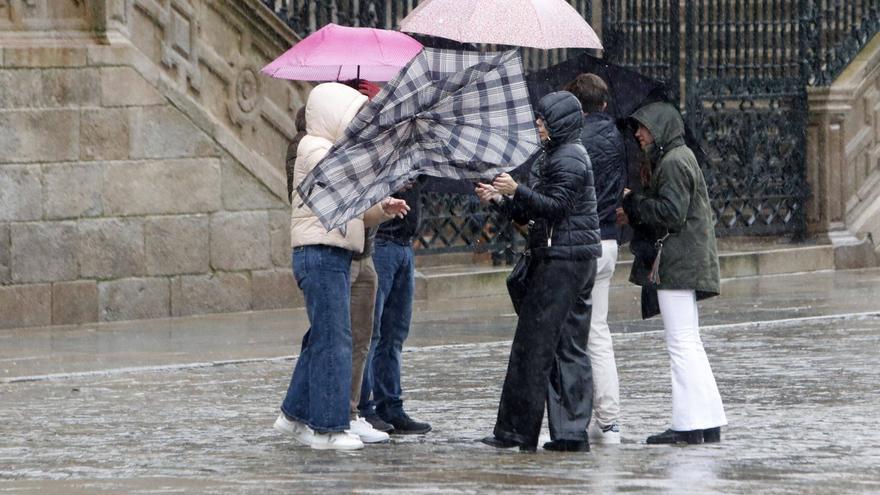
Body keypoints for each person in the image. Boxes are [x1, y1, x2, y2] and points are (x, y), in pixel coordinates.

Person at [273, 82, 409, 451]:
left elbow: (354, 212)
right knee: (334, 341)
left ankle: (293, 415)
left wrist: (382, 209)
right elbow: (340, 183)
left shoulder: (333, 150)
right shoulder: (314, 148)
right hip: (320, 253)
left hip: (334, 252)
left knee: (324, 337)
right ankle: (328, 427)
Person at [476, 91, 602, 452]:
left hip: (562, 261)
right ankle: (569, 433)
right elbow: (533, 215)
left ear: (559, 123)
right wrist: (502, 200)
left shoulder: (570, 157)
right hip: (565, 256)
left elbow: (556, 208)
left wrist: (518, 189)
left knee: (535, 347)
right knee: (565, 346)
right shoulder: (557, 156)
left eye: (543, 121)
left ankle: (519, 431)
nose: (538, 126)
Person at [620, 101, 727, 444]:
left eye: (643, 127)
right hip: (683, 260)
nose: (638, 134)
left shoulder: (674, 161)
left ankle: (688, 424)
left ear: (660, 128)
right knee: (689, 343)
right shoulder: (677, 158)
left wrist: (632, 202)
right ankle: (707, 420)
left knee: (681, 344)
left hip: (677, 263)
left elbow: (671, 213)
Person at [563, 74, 627, 444]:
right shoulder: (616, 137)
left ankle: (578, 412)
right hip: (609, 241)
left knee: (574, 333)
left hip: (582, 241)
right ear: (603, 104)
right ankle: (609, 418)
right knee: (597, 332)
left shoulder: (575, 141)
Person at [358, 181, 432, 435]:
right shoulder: (378, 145)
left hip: (403, 244)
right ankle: (363, 408)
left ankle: (390, 406)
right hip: (382, 241)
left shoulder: (410, 148)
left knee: (395, 333)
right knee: (372, 332)